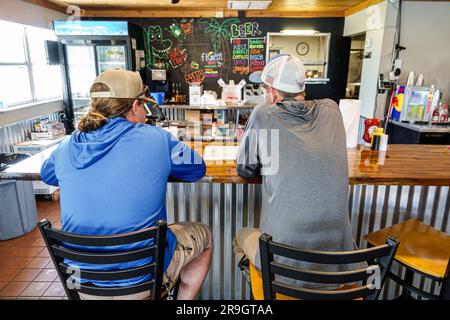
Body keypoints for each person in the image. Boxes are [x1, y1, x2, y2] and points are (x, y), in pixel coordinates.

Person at [40, 69, 212, 300]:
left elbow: (48, 175)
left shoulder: (67, 146)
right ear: (134, 106)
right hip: (141, 280)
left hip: (80, 281)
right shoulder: (158, 139)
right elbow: (197, 168)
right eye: (143, 104)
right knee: (205, 236)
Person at [233, 55, 359, 290]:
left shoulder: (264, 114)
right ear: (302, 88)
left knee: (240, 238)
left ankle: (270, 294)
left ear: (271, 92)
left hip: (283, 265)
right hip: (338, 265)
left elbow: (245, 168)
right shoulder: (332, 110)